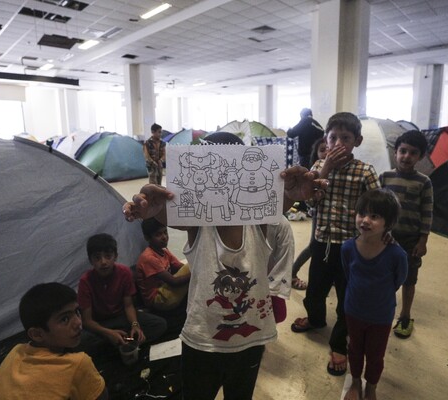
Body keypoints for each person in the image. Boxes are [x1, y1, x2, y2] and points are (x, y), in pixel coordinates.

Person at [123, 132, 326, 400]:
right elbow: (173, 214)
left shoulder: (260, 221)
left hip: (250, 340)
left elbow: (274, 205)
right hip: (201, 340)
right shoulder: (198, 223)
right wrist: (153, 211)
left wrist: (292, 194)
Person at [291, 112, 380, 378]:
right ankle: (316, 319)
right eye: (333, 137)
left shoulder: (365, 171)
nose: (338, 143)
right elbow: (309, 202)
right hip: (321, 242)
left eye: (346, 137)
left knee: (345, 298)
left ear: (357, 141)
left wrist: (377, 238)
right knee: (314, 291)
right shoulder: (318, 167)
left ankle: (339, 343)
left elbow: (377, 208)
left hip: (351, 247)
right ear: (325, 140)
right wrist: (325, 169)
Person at [342, 189, 408, 400]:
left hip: (380, 316)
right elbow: (348, 274)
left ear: (388, 223)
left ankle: (371, 387)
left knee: (375, 356)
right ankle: (354, 382)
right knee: (354, 349)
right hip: (353, 311)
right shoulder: (347, 248)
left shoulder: (396, 255)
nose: (365, 220)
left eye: (375, 216)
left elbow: (399, 280)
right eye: (361, 213)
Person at [0, 282, 107, 400]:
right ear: (37, 334)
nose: (78, 322)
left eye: (77, 312)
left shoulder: (15, 352)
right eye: (64, 319)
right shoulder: (77, 364)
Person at [379, 130, 433, 339]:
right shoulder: (385, 177)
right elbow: (379, 208)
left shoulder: (424, 182)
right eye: (403, 151)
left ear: (420, 157)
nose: (406, 156)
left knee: (409, 279)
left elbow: (427, 213)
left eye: (413, 153)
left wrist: (423, 240)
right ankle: (384, 311)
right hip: (386, 238)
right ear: (396, 152)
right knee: (385, 276)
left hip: (411, 241)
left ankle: (405, 316)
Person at [78, 233, 167, 349]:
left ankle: (121, 342)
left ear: (115, 256)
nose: (103, 262)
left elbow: (129, 306)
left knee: (159, 325)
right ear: (91, 261)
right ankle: (125, 341)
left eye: (108, 256)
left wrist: (135, 325)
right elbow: (87, 321)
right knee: (81, 342)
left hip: (122, 317)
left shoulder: (124, 273)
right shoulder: (85, 281)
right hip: (101, 323)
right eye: (97, 258)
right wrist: (108, 333)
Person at [291, 137, 328, 290]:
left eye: (329, 148)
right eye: (322, 150)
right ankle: (292, 272)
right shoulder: (317, 169)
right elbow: (309, 199)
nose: (327, 153)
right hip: (319, 215)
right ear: (316, 154)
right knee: (314, 246)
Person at [136, 218, 191, 312]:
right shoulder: (148, 258)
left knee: (190, 266)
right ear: (147, 238)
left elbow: (181, 267)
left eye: (165, 232)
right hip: (157, 300)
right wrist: (197, 272)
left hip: (166, 291)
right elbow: (174, 281)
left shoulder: (164, 252)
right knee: (192, 268)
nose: (164, 237)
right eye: (158, 234)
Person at [287, 108, 325, 215]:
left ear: (302, 115)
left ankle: (304, 205)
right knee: (314, 178)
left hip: (305, 155)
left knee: (305, 178)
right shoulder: (317, 124)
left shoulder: (304, 121)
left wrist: (289, 129)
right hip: (316, 156)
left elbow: (292, 133)